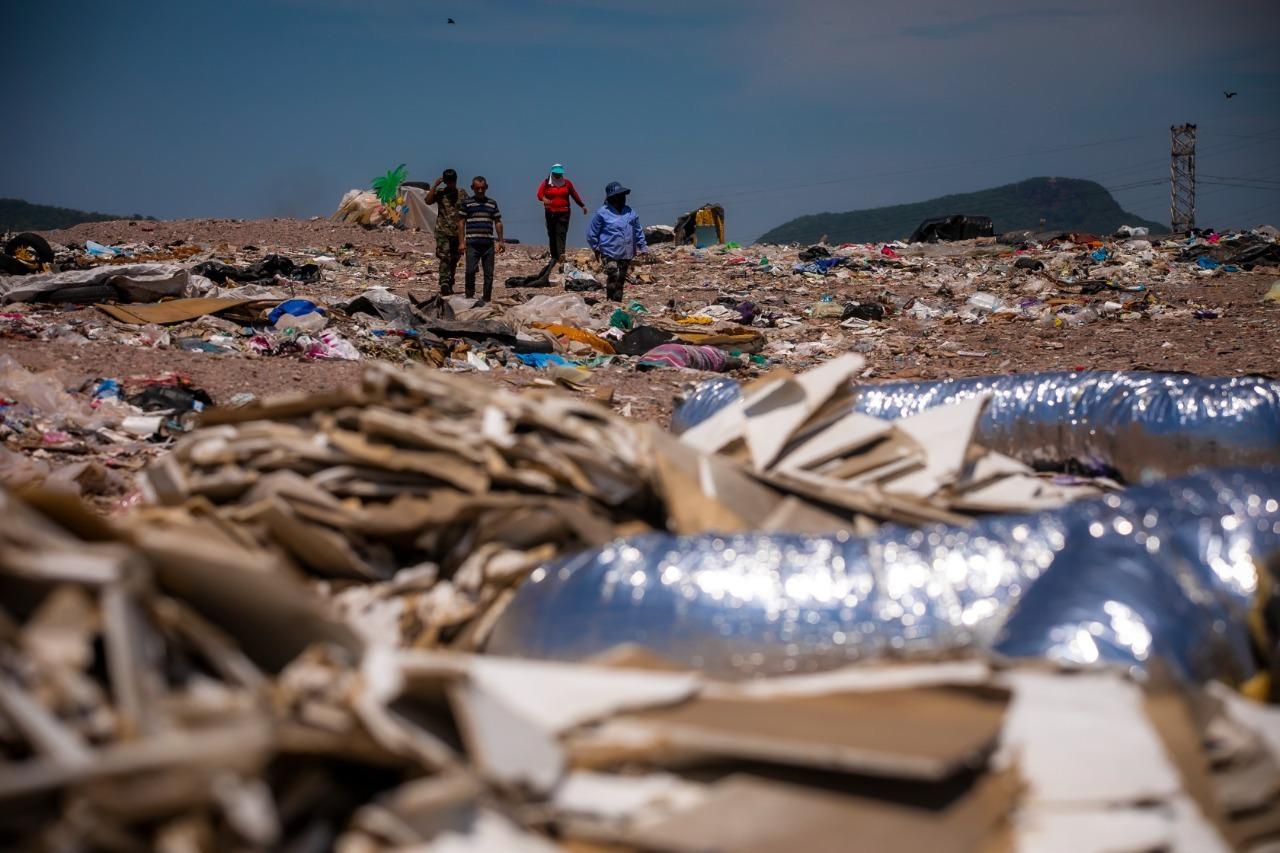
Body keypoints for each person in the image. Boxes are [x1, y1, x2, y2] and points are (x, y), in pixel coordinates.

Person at [586, 181, 647, 301]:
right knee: (613, 275)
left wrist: (643, 247)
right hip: (609, 252)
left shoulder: (630, 212)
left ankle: (617, 302)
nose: (622, 198)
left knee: (621, 280)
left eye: (623, 195)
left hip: (626, 253)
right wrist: (596, 248)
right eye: (619, 196)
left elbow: (637, 230)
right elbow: (591, 233)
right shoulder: (602, 213)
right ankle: (610, 300)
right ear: (612, 198)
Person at [458, 176, 504, 302]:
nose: (480, 191)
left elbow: (498, 222)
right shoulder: (467, 203)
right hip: (472, 243)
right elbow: (461, 222)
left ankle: (486, 299)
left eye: (482, 188)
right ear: (472, 188)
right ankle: (469, 296)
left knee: (489, 274)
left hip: (488, 244)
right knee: (470, 271)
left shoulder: (492, 203)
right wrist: (461, 242)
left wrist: (501, 241)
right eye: (477, 188)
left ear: (486, 187)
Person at [425, 169, 466, 295]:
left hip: (457, 232)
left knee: (454, 258)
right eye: (448, 182)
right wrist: (435, 186)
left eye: (452, 182)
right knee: (445, 257)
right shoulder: (440, 193)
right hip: (443, 231)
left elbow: (468, 210)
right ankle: (444, 282)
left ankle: (450, 282)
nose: (450, 184)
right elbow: (428, 201)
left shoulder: (462, 193)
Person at [536, 164, 587, 266]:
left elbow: (574, 195)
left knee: (561, 233)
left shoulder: (567, 183)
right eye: (556, 174)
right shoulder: (546, 183)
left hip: (564, 212)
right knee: (552, 233)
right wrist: (544, 199)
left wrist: (582, 205)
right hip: (550, 212)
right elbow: (539, 194)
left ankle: (561, 255)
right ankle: (554, 256)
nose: (558, 176)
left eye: (559, 174)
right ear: (552, 173)